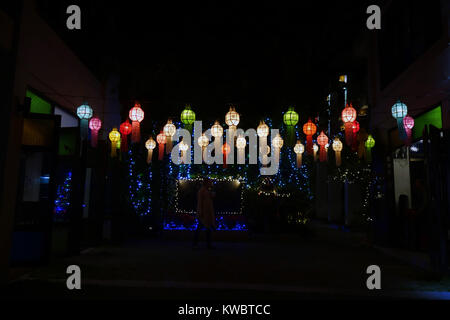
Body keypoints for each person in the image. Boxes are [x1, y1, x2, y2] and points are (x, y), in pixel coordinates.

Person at [193, 178, 216, 249]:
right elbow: (200, 203)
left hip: (207, 213)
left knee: (204, 228)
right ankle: (197, 244)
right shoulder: (202, 191)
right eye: (209, 182)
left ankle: (206, 244)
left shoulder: (206, 190)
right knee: (201, 228)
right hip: (204, 213)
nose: (211, 183)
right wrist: (201, 212)